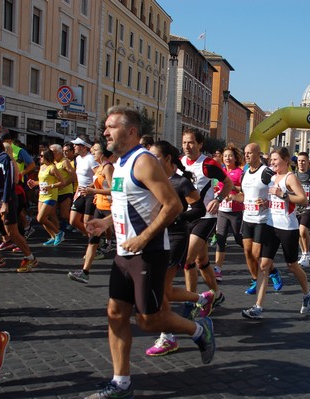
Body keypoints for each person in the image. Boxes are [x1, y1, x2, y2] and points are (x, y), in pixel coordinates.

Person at [83, 106, 215, 399]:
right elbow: (125, 204)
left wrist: (143, 238)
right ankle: (121, 383)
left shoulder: (144, 162)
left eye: (111, 127)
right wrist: (104, 222)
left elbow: (174, 206)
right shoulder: (119, 164)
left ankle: (198, 330)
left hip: (149, 253)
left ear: (131, 131)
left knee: (149, 320)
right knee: (115, 314)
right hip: (124, 252)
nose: (105, 132)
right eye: (105, 127)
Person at [145, 140, 212, 357]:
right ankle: (201, 298)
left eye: (154, 157)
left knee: (161, 289)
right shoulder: (152, 180)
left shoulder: (181, 182)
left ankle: (169, 337)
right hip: (156, 236)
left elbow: (199, 209)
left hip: (175, 237)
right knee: (163, 289)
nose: (150, 161)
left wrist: (176, 216)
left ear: (167, 159)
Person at [241, 147, 310, 319]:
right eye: (271, 160)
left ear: (286, 160)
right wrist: (265, 203)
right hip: (270, 225)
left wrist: (284, 194)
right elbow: (273, 199)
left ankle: (307, 294)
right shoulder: (271, 178)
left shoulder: (290, 177)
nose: (272, 163)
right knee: (263, 265)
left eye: (275, 160)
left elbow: (303, 199)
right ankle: (257, 307)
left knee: (292, 265)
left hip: (288, 228)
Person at [180, 128, 231, 304]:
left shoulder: (208, 164)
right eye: (185, 142)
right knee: (201, 261)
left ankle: (192, 301)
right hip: (187, 216)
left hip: (206, 217)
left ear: (200, 144)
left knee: (187, 260)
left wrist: (218, 199)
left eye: (191, 142)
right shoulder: (179, 163)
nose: (187, 146)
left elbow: (228, 183)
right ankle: (216, 295)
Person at [0, 136, 38, 273]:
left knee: (13, 233)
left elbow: (10, 182)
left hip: (7, 200)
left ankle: (30, 257)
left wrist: (5, 203)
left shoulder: (6, 159)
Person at [234, 143, 284, 295]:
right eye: (245, 153)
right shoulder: (245, 173)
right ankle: (255, 279)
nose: (247, 155)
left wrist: (267, 202)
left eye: (250, 153)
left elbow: (277, 191)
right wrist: (231, 197)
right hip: (247, 218)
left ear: (258, 154)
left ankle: (273, 271)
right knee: (248, 253)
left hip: (262, 219)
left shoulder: (266, 172)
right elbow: (244, 195)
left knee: (256, 254)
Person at [68, 139, 115, 282]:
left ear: (103, 153)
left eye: (95, 150)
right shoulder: (100, 167)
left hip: (109, 209)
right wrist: (89, 191)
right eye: (93, 150)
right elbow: (98, 185)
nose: (92, 152)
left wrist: (93, 190)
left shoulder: (108, 167)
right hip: (99, 207)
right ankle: (84, 272)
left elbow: (114, 189)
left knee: (122, 241)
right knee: (92, 240)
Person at [213, 144, 244, 281]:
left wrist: (231, 189)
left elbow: (244, 190)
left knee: (239, 238)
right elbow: (218, 186)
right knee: (220, 239)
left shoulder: (239, 172)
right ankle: (218, 270)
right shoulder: (220, 171)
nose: (227, 158)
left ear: (235, 158)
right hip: (222, 210)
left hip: (235, 211)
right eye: (225, 156)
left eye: (230, 156)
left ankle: (255, 253)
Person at [27, 149, 66, 246]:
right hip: (42, 195)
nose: (39, 158)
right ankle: (53, 236)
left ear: (47, 157)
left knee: (40, 218)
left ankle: (58, 233)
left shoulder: (53, 168)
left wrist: (51, 186)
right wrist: (33, 183)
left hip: (50, 196)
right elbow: (42, 182)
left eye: (41, 156)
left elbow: (62, 182)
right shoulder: (42, 167)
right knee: (43, 219)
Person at [69, 137, 99, 235]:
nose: (74, 146)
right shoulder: (77, 159)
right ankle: (93, 238)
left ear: (84, 147)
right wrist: (77, 191)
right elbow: (80, 177)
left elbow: (99, 176)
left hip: (91, 193)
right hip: (81, 192)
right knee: (73, 220)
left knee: (87, 222)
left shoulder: (91, 159)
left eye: (76, 145)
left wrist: (89, 187)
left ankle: (94, 242)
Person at [50, 144, 76, 233]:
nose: (51, 154)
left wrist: (63, 184)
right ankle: (59, 232)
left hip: (65, 191)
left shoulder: (65, 162)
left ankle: (77, 225)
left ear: (59, 152)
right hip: (54, 191)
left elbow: (73, 177)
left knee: (64, 214)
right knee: (51, 213)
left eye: (53, 152)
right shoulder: (52, 162)